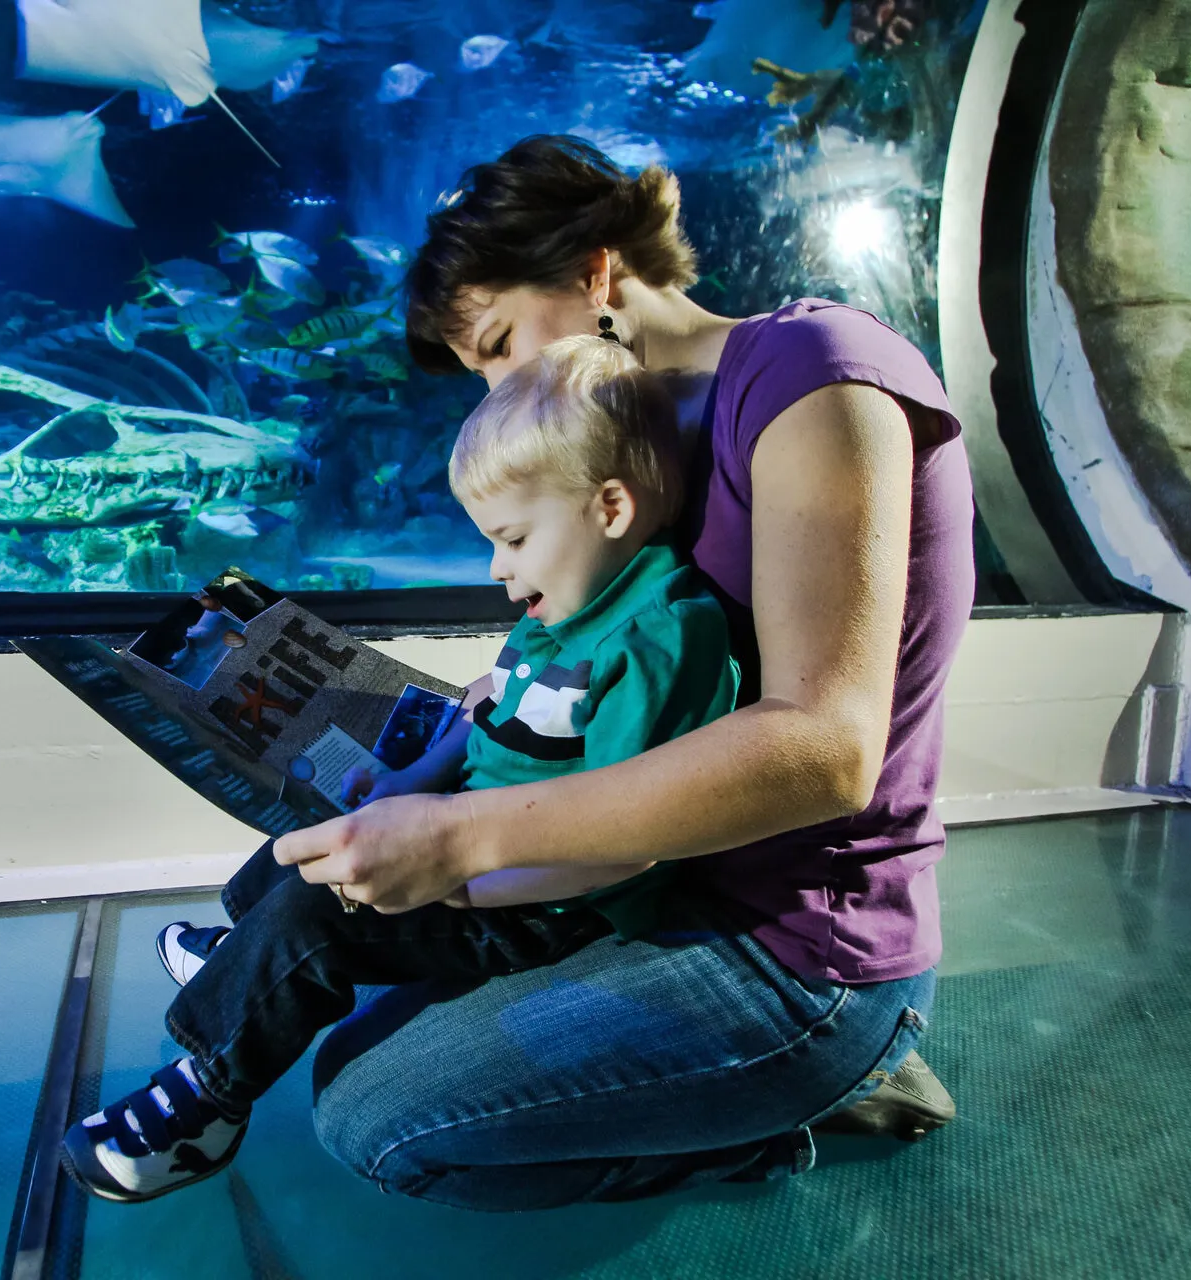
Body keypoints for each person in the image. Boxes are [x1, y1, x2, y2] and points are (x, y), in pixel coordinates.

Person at [263, 134, 970, 1209]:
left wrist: (461, 836)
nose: (497, 389)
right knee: (339, 1029)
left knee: (381, 1121)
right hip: (653, 882)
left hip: (789, 940)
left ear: (598, 273)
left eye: (499, 344)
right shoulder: (635, 439)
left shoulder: (811, 371)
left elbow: (826, 749)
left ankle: (818, 1088)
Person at [61, 335, 740, 1204]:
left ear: (610, 508)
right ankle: (245, 957)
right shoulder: (563, 608)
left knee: (321, 914)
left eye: (514, 539)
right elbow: (484, 715)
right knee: (304, 842)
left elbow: (633, 842)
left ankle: (208, 1104)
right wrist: (407, 784)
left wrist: (457, 882)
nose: (500, 572)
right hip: (479, 827)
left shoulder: (659, 639)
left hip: (543, 899)